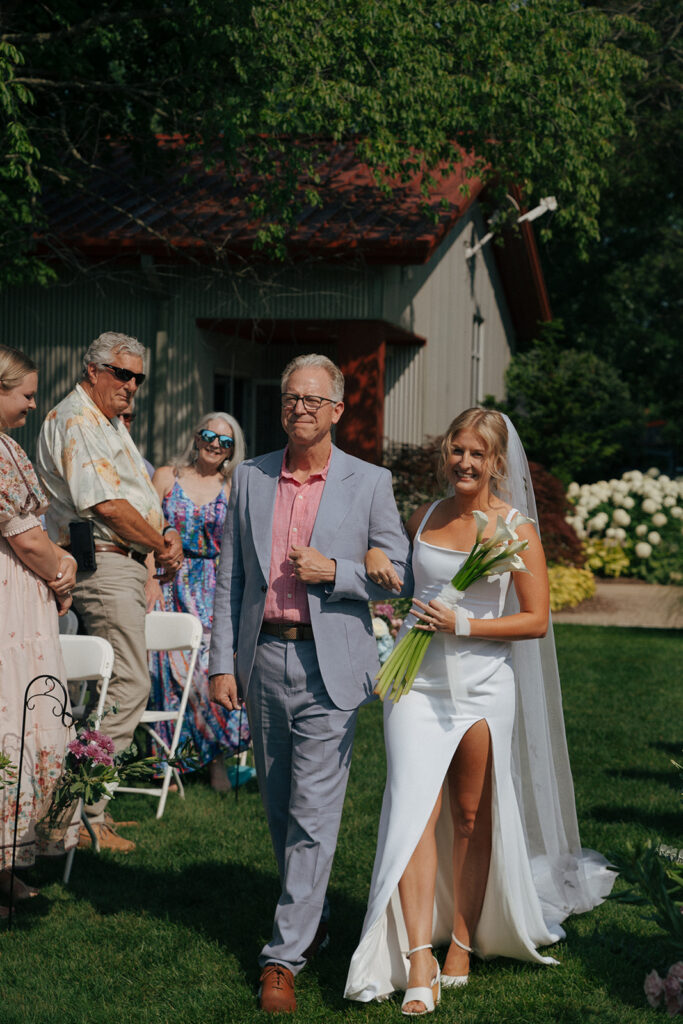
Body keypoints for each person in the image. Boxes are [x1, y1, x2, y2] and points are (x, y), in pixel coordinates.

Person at [345, 408, 615, 1014]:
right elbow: (412, 592)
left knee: (469, 817)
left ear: (497, 463)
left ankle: (463, 938)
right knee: (413, 814)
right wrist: (379, 573)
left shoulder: (515, 530)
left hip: (485, 687)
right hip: (415, 686)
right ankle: (418, 959)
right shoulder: (426, 516)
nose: (464, 463)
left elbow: (537, 619)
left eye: (476, 454)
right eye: (456, 451)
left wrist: (464, 623)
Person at [208, 353, 412, 1013]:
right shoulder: (250, 476)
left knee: (313, 815)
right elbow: (229, 577)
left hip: (332, 666)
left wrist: (338, 573)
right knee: (278, 807)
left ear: (335, 409)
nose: (298, 407)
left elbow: (399, 570)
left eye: (311, 399)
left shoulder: (369, 482)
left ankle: (281, 960)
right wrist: (219, 661)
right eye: (290, 397)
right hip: (262, 659)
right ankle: (312, 915)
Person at [36, 331, 183, 852]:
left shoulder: (102, 421)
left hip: (123, 560)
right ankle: (70, 815)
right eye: (122, 374)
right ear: (93, 369)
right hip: (104, 563)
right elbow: (106, 506)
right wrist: (160, 548)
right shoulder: (77, 418)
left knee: (110, 691)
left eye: (138, 377)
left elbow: (133, 498)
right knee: (129, 686)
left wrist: (162, 535)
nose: (132, 386)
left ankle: (85, 813)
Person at [0, 345, 79, 913]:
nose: (33, 403)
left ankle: (4, 870)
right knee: (13, 713)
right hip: (11, 604)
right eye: (25, 393)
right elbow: (26, 538)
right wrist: (61, 571)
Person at [147, 412, 251, 792]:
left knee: (210, 677)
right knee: (165, 676)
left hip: (210, 588)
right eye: (209, 435)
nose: (215, 444)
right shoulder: (165, 477)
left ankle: (216, 763)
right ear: (195, 436)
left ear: (232, 451)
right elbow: (145, 527)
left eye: (226, 441)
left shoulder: (232, 487)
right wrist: (149, 580)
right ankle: (166, 765)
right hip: (166, 582)